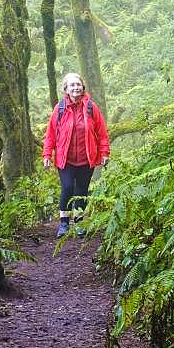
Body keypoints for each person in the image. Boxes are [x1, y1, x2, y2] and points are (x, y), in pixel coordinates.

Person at [42, 73, 110, 238]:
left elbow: (101, 133)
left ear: (82, 87)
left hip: (87, 158)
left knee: (81, 190)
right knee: (67, 187)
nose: (75, 87)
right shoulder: (60, 109)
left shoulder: (91, 108)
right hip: (65, 159)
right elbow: (50, 134)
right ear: (66, 89)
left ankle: (79, 222)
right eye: (72, 85)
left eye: (78, 84)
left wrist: (105, 152)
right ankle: (64, 223)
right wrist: (46, 154)